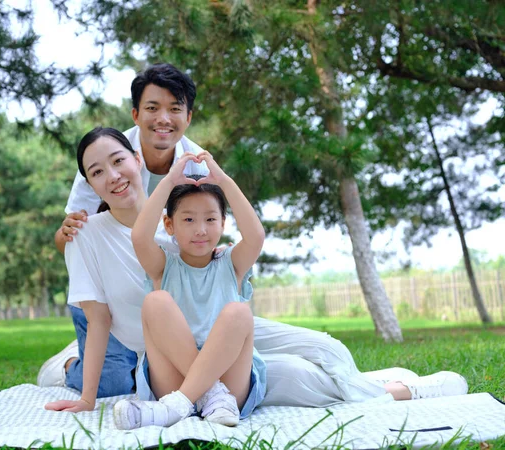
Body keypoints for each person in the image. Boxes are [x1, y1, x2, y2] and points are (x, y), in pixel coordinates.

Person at [40, 64, 468, 410]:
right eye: (152, 108)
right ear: (135, 116)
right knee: (296, 379)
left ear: (188, 117)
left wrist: (218, 248)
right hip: (161, 334)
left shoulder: (192, 170)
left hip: (214, 313)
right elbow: (88, 244)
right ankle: (69, 365)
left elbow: (224, 224)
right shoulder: (104, 175)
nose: (163, 119)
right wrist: (67, 235)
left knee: (324, 349)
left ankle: (385, 384)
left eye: (175, 109)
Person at [112, 152, 266, 429]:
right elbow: (139, 236)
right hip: (173, 378)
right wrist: (170, 180)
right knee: (155, 301)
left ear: (222, 224)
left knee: (238, 312)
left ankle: (176, 407)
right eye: (188, 220)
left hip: (230, 381)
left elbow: (255, 236)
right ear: (169, 224)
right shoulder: (163, 267)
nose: (200, 230)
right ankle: (204, 396)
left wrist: (224, 182)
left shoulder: (232, 264)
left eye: (210, 220)